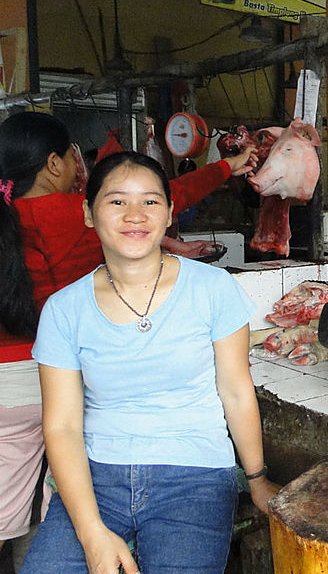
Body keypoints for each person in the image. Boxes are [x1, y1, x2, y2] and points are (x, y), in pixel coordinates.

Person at [0, 111, 254, 569]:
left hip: (188, 471)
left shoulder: (213, 290)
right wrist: (93, 533)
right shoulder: (65, 307)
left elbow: (236, 391)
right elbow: (60, 426)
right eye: (116, 202)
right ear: (87, 210)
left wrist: (256, 478)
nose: (135, 214)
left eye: (149, 203)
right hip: (81, 444)